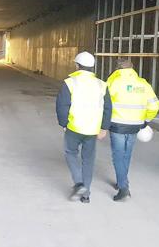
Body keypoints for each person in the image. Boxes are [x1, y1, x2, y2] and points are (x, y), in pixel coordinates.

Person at [56, 51, 112, 203]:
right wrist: (104, 128)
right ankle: (86, 194)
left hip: (74, 127)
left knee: (70, 153)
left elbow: (62, 105)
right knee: (88, 160)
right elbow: (108, 108)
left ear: (77, 66)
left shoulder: (70, 82)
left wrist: (64, 124)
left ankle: (79, 182)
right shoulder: (102, 84)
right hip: (93, 129)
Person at [106, 58, 159, 201]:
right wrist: (145, 120)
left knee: (118, 155)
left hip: (117, 125)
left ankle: (124, 188)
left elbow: (104, 104)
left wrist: (102, 123)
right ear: (132, 68)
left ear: (118, 69)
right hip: (135, 125)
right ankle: (121, 180)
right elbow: (154, 105)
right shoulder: (143, 84)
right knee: (127, 154)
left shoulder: (113, 82)